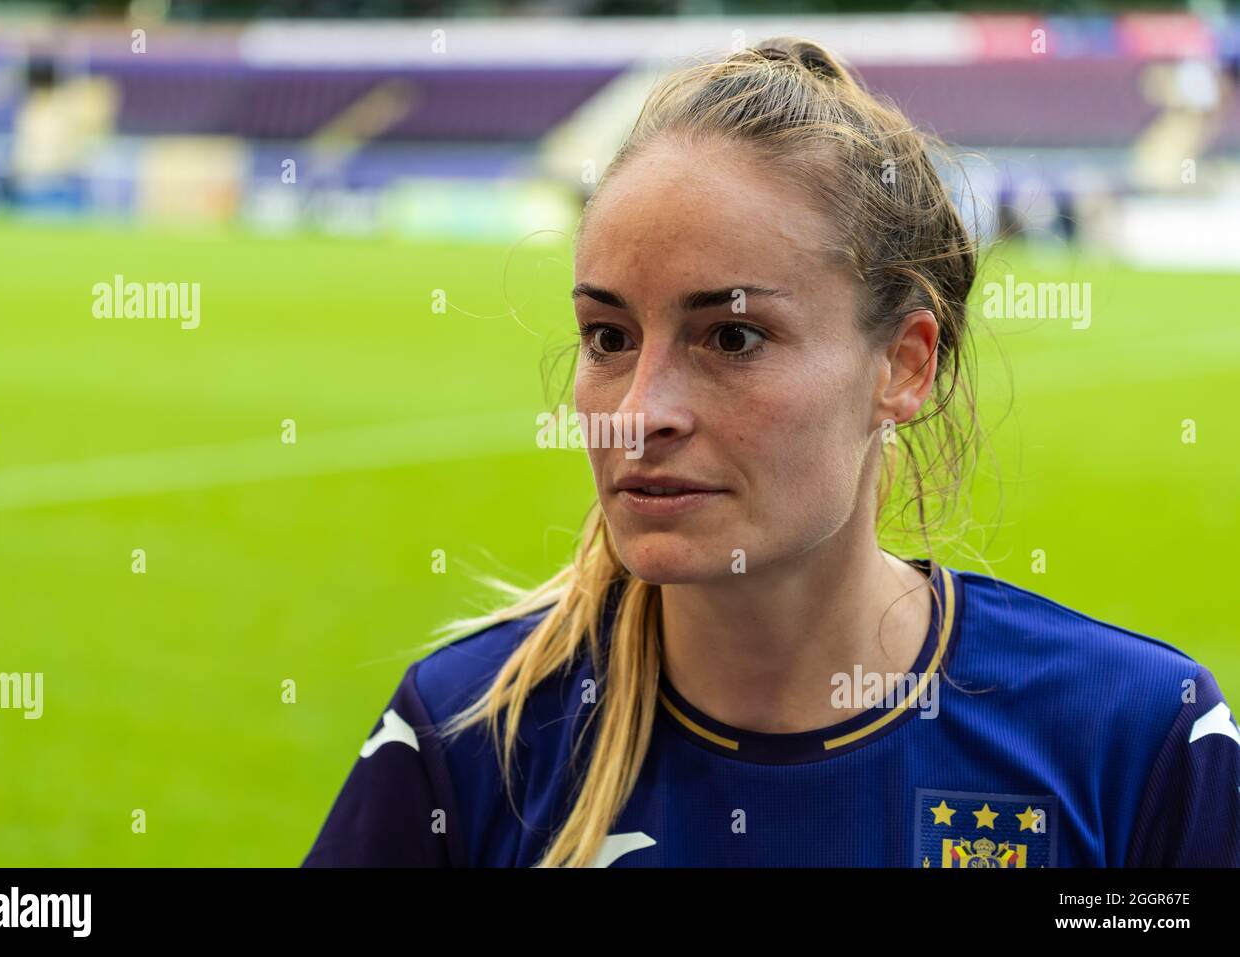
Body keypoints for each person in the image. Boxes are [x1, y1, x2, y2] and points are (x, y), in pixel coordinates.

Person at [304, 37, 1240, 868]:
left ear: (902, 366)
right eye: (608, 337)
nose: (639, 413)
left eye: (733, 338)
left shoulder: (1138, 742)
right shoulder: (466, 740)